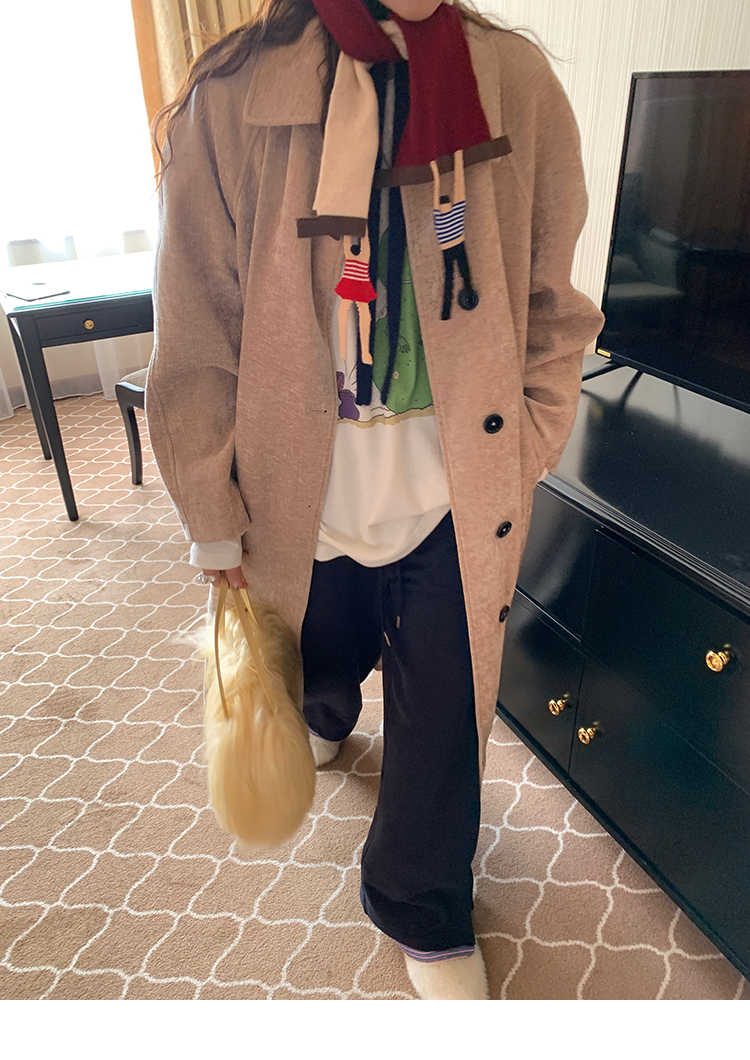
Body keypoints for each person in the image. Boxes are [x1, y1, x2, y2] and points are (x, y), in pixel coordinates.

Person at [145, 0, 605, 1000]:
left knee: (443, 714)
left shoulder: (514, 83)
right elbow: (195, 329)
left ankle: (421, 903)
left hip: (456, 489)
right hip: (295, 490)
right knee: (317, 644)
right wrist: (212, 514)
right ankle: (325, 706)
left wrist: (526, 441)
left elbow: (553, 306)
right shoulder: (233, 94)